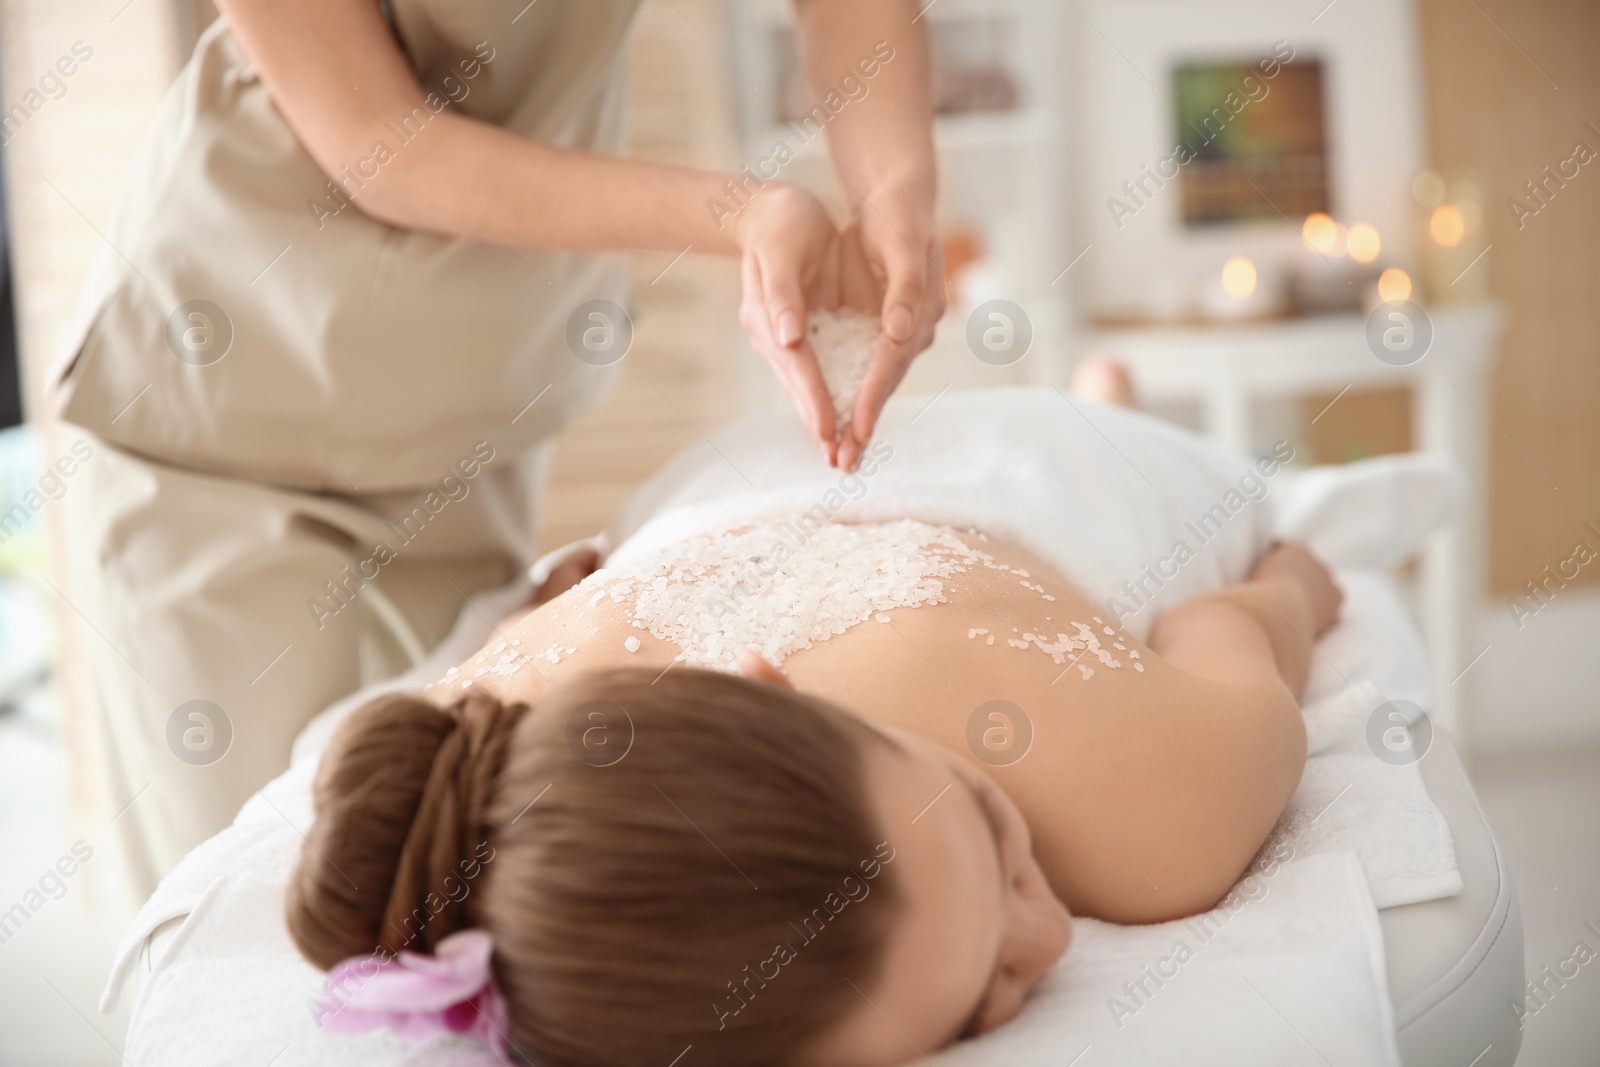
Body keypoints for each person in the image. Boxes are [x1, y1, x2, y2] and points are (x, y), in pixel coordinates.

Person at [51, 0, 943, 897]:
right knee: (247, 898)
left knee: (451, 881)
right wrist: (741, 213)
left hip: (467, 416)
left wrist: (895, 192)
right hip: (232, 402)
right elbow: (381, 144)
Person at [284, 369, 1340, 1065]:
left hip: (1031, 460)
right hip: (720, 473)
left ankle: (1102, 396)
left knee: (1119, 421)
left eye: (987, 831)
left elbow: (1233, 618)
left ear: (773, 684)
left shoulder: (1159, 812)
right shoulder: (480, 776)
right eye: (980, 1007)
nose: (1053, 931)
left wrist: (1291, 580)